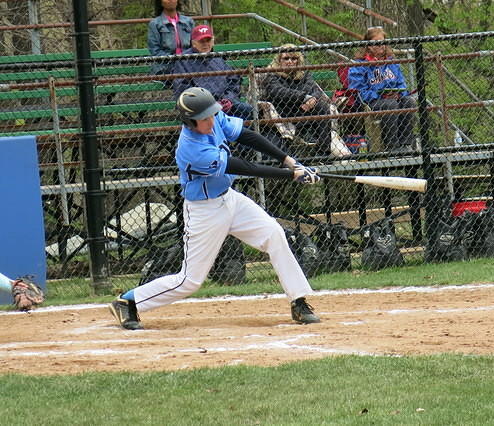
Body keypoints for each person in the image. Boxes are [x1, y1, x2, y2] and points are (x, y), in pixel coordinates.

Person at [109, 87, 322, 330]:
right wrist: (291, 175)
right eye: (204, 119)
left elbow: (246, 136)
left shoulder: (213, 117)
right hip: (204, 211)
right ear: (190, 121)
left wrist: (288, 160)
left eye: (212, 115)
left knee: (274, 234)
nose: (211, 121)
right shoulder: (191, 149)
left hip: (229, 198)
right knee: (189, 281)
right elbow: (242, 166)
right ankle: (128, 301)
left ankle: (298, 301)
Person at [347, 27, 417, 152]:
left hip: (393, 99)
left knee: (409, 101)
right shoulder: (359, 65)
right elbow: (358, 92)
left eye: (383, 42)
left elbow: (401, 84)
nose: (381, 46)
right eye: (377, 43)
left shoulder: (391, 62)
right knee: (391, 105)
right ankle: (392, 146)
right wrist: (380, 95)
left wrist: (398, 92)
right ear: (368, 46)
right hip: (372, 102)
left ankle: (405, 144)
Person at [261, 44, 333, 157]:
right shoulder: (272, 75)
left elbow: (314, 88)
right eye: (286, 58)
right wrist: (304, 97)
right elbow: (279, 92)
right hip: (283, 111)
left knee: (323, 108)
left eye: (294, 58)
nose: (290, 62)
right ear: (279, 60)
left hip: (304, 109)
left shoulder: (304, 73)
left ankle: (323, 153)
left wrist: (312, 98)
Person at [172, 24, 254, 121]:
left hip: (226, 105)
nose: (206, 44)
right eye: (201, 41)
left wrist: (228, 99)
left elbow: (234, 80)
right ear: (193, 43)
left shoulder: (217, 57)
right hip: (202, 109)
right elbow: (183, 89)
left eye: (208, 40)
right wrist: (211, 105)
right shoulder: (184, 60)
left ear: (213, 41)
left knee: (252, 111)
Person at [148, 0, 195, 75]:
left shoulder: (188, 21)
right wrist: (175, 60)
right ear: (161, 2)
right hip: (166, 68)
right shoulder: (155, 24)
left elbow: (195, 44)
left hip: (188, 64)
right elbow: (155, 50)